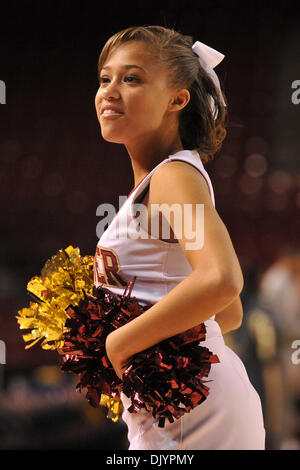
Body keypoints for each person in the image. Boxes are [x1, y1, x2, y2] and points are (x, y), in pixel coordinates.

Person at [93, 25, 266, 450]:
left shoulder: (172, 176)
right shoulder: (166, 177)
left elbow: (223, 282)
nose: (110, 91)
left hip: (195, 413)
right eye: (105, 78)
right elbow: (227, 314)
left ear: (177, 99)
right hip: (185, 402)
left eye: (131, 78)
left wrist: (119, 343)